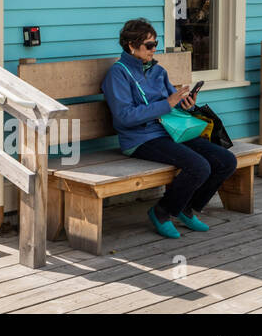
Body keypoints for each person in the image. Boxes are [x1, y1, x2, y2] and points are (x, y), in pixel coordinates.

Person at [101, 18, 237, 239]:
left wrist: (186, 105)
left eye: (155, 44)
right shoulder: (118, 74)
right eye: (148, 45)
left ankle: (186, 207)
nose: (154, 49)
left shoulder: (158, 71)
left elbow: (171, 106)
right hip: (140, 139)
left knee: (226, 161)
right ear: (131, 46)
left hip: (169, 132)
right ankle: (161, 211)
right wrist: (168, 103)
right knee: (199, 166)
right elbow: (124, 117)